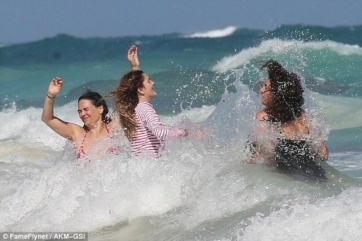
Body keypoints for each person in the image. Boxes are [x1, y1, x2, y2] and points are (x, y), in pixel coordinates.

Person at [249, 60, 329, 180]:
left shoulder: (264, 117)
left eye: (266, 88)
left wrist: (246, 163)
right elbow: (323, 154)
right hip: (317, 175)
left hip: (289, 177)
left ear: (277, 94)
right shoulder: (306, 118)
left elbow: (267, 155)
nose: (261, 90)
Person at [108, 45, 188, 157]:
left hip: (139, 166)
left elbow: (136, 85)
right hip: (152, 165)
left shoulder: (133, 110)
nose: (153, 83)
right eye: (149, 81)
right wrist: (183, 132)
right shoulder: (145, 108)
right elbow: (158, 132)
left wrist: (135, 67)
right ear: (140, 89)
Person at [41, 77, 119, 159]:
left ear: (100, 109)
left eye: (86, 109)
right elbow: (47, 119)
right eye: (79, 111)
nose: (82, 114)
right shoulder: (78, 135)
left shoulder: (113, 129)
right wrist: (51, 95)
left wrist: (134, 68)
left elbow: (131, 106)